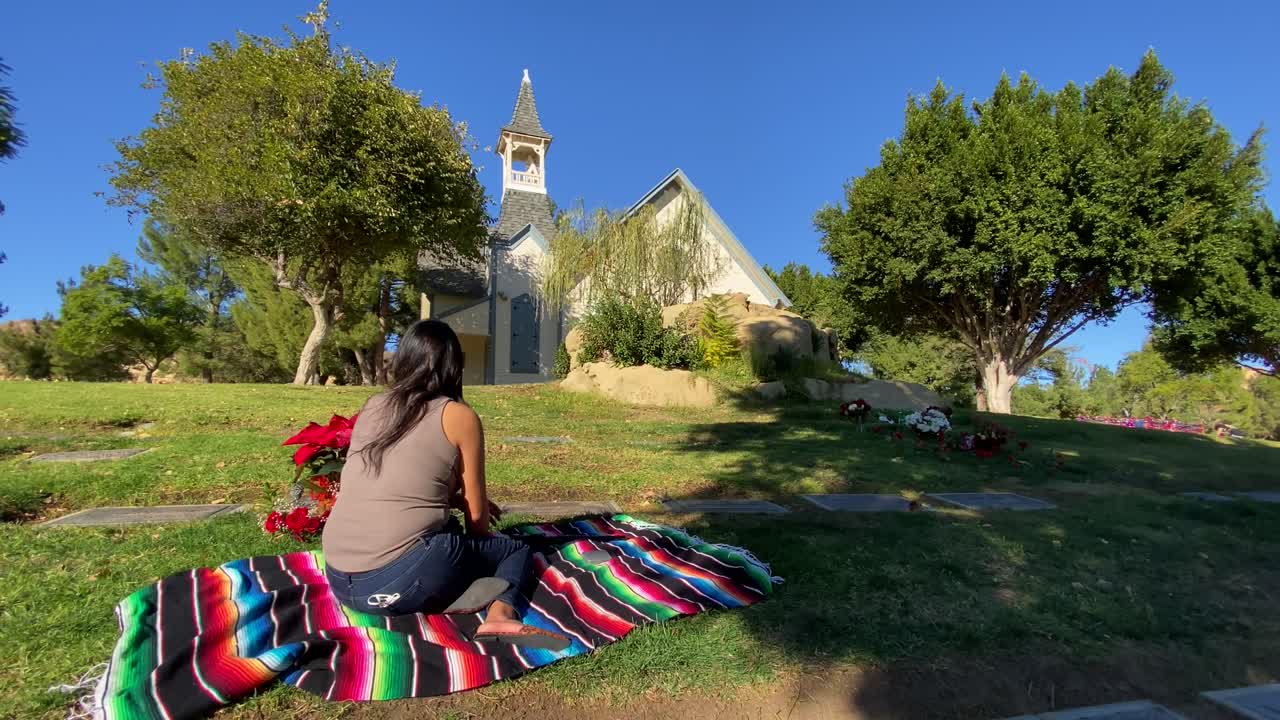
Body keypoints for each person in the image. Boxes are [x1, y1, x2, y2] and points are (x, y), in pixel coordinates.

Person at [322, 320, 568, 649]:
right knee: (514, 550)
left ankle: (447, 587)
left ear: (405, 360)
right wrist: (480, 543)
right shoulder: (458, 416)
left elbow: (392, 485)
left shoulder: (373, 406)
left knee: (446, 535)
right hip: (399, 580)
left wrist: (450, 502)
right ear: (454, 366)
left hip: (341, 579)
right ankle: (500, 615)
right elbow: (478, 518)